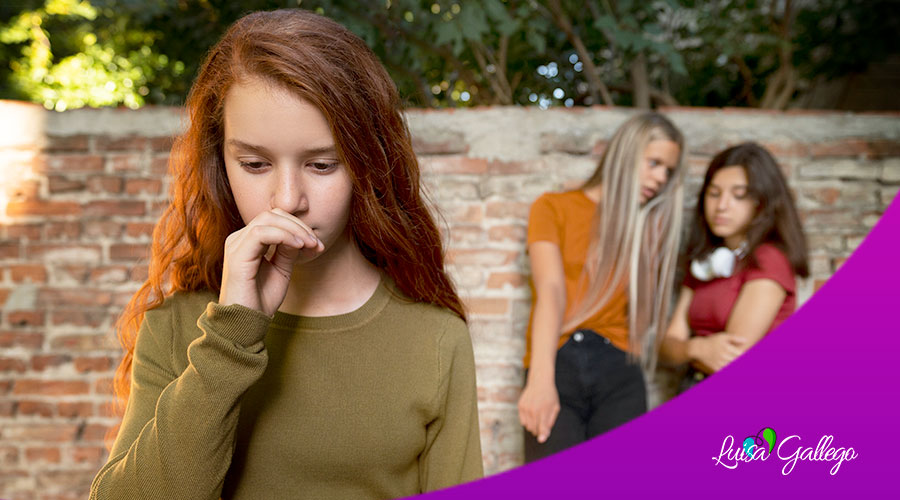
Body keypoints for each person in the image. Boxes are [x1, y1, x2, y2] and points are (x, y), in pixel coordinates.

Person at [90, 9, 482, 500]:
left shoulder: (435, 340)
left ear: (369, 162)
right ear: (220, 164)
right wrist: (231, 337)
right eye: (255, 164)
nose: (288, 198)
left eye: (322, 165)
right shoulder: (177, 326)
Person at [517, 112, 686, 462]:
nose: (660, 178)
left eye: (668, 171)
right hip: (558, 362)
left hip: (619, 371)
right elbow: (551, 290)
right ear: (626, 153)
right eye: (654, 163)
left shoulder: (648, 227)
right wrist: (540, 380)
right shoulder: (552, 208)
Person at [661, 142, 809, 390]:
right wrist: (697, 347)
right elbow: (666, 348)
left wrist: (687, 351)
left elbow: (729, 359)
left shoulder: (768, 260)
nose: (721, 206)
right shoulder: (705, 261)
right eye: (714, 193)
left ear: (761, 203)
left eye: (739, 195)